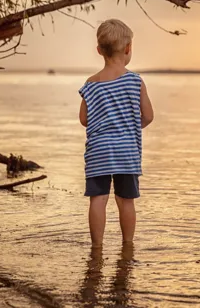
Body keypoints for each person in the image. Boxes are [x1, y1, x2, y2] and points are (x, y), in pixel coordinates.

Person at [78, 19, 154, 248]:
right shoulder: (135, 81)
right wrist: (128, 126)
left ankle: (97, 248)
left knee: (98, 199)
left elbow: (84, 119)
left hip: (99, 152)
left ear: (99, 51)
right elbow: (148, 116)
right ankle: (127, 245)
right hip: (126, 152)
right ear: (129, 48)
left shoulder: (90, 84)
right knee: (126, 201)